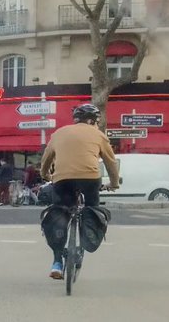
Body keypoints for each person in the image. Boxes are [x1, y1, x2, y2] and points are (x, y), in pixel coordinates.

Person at [39, 103, 120, 280]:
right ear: (93, 121)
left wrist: (45, 175)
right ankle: (88, 230)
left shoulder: (59, 133)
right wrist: (114, 183)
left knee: (60, 211)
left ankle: (57, 263)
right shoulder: (99, 135)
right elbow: (111, 162)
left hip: (62, 179)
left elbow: (46, 158)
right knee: (92, 207)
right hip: (90, 178)